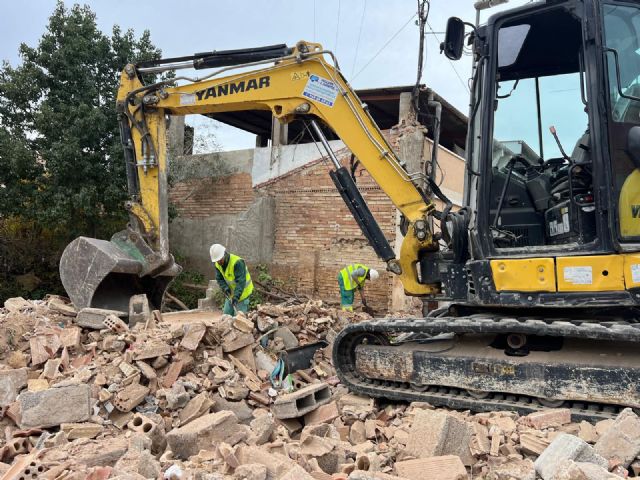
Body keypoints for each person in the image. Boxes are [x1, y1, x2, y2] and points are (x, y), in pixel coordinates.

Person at [209, 243, 253, 315]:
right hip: (231, 294)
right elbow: (219, 279)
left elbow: (240, 282)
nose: (218, 262)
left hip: (242, 294)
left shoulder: (237, 262)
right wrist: (225, 288)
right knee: (226, 317)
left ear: (224, 254)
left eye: (220, 259)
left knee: (238, 321)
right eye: (217, 260)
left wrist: (236, 297)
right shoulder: (217, 264)